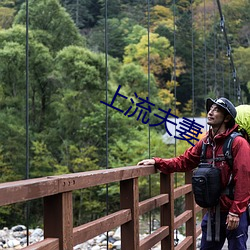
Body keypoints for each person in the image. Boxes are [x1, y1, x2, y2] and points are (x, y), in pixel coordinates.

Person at [137, 97, 250, 250]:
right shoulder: (205, 143)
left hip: (233, 211)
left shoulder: (238, 143)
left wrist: (236, 212)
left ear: (227, 118)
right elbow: (184, 161)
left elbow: (244, 178)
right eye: (210, 109)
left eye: (216, 110)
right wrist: (158, 162)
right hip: (213, 211)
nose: (210, 112)